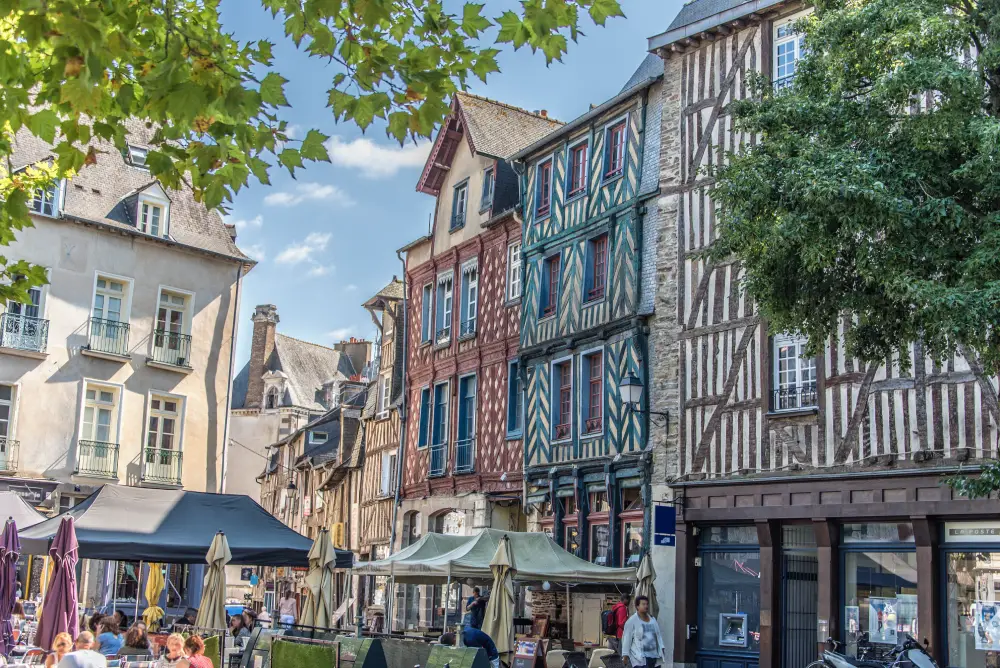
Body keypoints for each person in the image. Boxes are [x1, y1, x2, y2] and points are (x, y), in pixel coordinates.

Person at [620, 596, 665, 668]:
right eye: (643, 604)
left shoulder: (653, 620)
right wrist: (625, 656)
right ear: (637, 606)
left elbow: (658, 635)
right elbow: (626, 639)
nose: (646, 606)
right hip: (640, 658)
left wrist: (662, 647)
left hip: (654, 656)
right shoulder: (632, 621)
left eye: (647, 604)